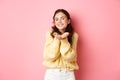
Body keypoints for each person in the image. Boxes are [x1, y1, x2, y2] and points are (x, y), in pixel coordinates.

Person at [43, 9, 79, 80]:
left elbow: (70, 57)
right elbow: (49, 56)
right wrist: (57, 39)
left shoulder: (74, 35)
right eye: (56, 19)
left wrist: (64, 39)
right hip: (51, 73)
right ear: (54, 22)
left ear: (68, 21)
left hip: (68, 73)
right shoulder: (49, 34)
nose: (59, 21)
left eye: (62, 18)